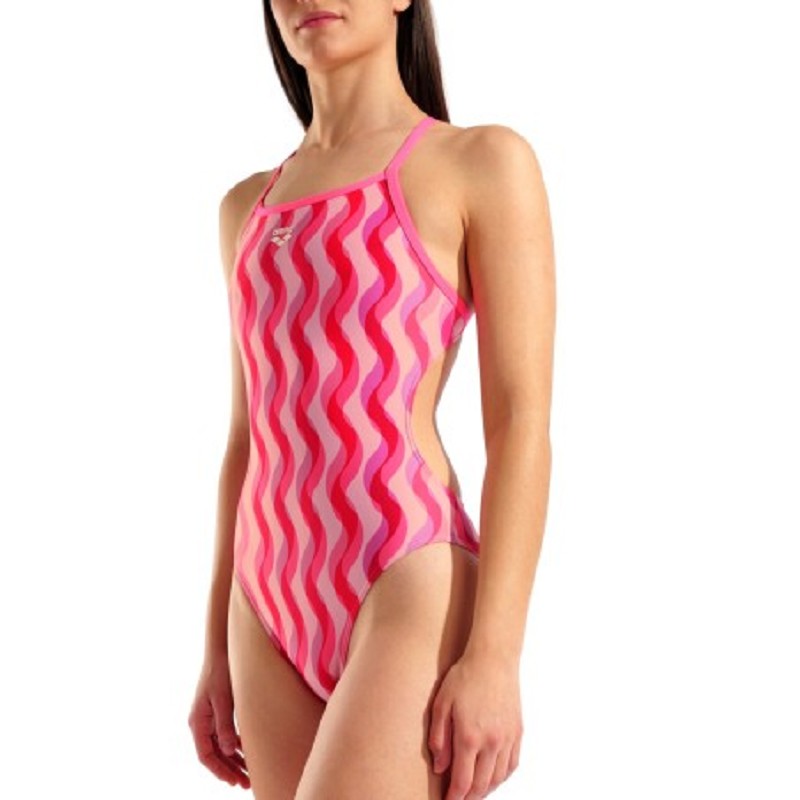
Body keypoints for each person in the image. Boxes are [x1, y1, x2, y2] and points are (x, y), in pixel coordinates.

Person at [187, 1, 555, 798]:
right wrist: (215, 644)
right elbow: (246, 438)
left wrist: (496, 654)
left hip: (402, 572)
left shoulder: (478, 163)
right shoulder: (245, 208)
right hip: (265, 599)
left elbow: (519, 422)